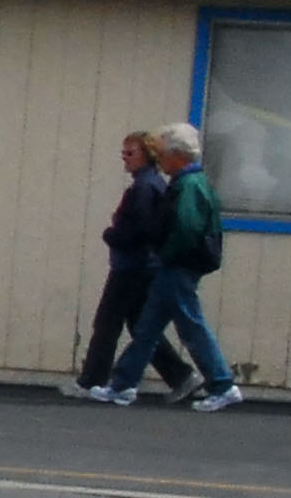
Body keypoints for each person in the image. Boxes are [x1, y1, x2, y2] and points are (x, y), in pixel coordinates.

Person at [90, 122, 246, 409]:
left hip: (178, 267)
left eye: (162, 155)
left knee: (190, 326)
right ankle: (122, 384)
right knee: (147, 327)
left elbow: (186, 228)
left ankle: (222, 384)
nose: (159, 160)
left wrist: (165, 252)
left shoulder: (187, 186)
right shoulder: (189, 183)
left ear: (178, 155)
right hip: (173, 267)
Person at [68, 128, 195, 399]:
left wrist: (112, 235)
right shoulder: (152, 184)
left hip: (132, 267)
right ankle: (180, 375)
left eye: (130, 152)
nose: (125, 157)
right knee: (141, 326)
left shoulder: (144, 188)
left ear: (147, 155)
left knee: (107, 323)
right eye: (123, 152)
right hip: (143, 266)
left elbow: (141, 229)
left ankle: (92, 379)